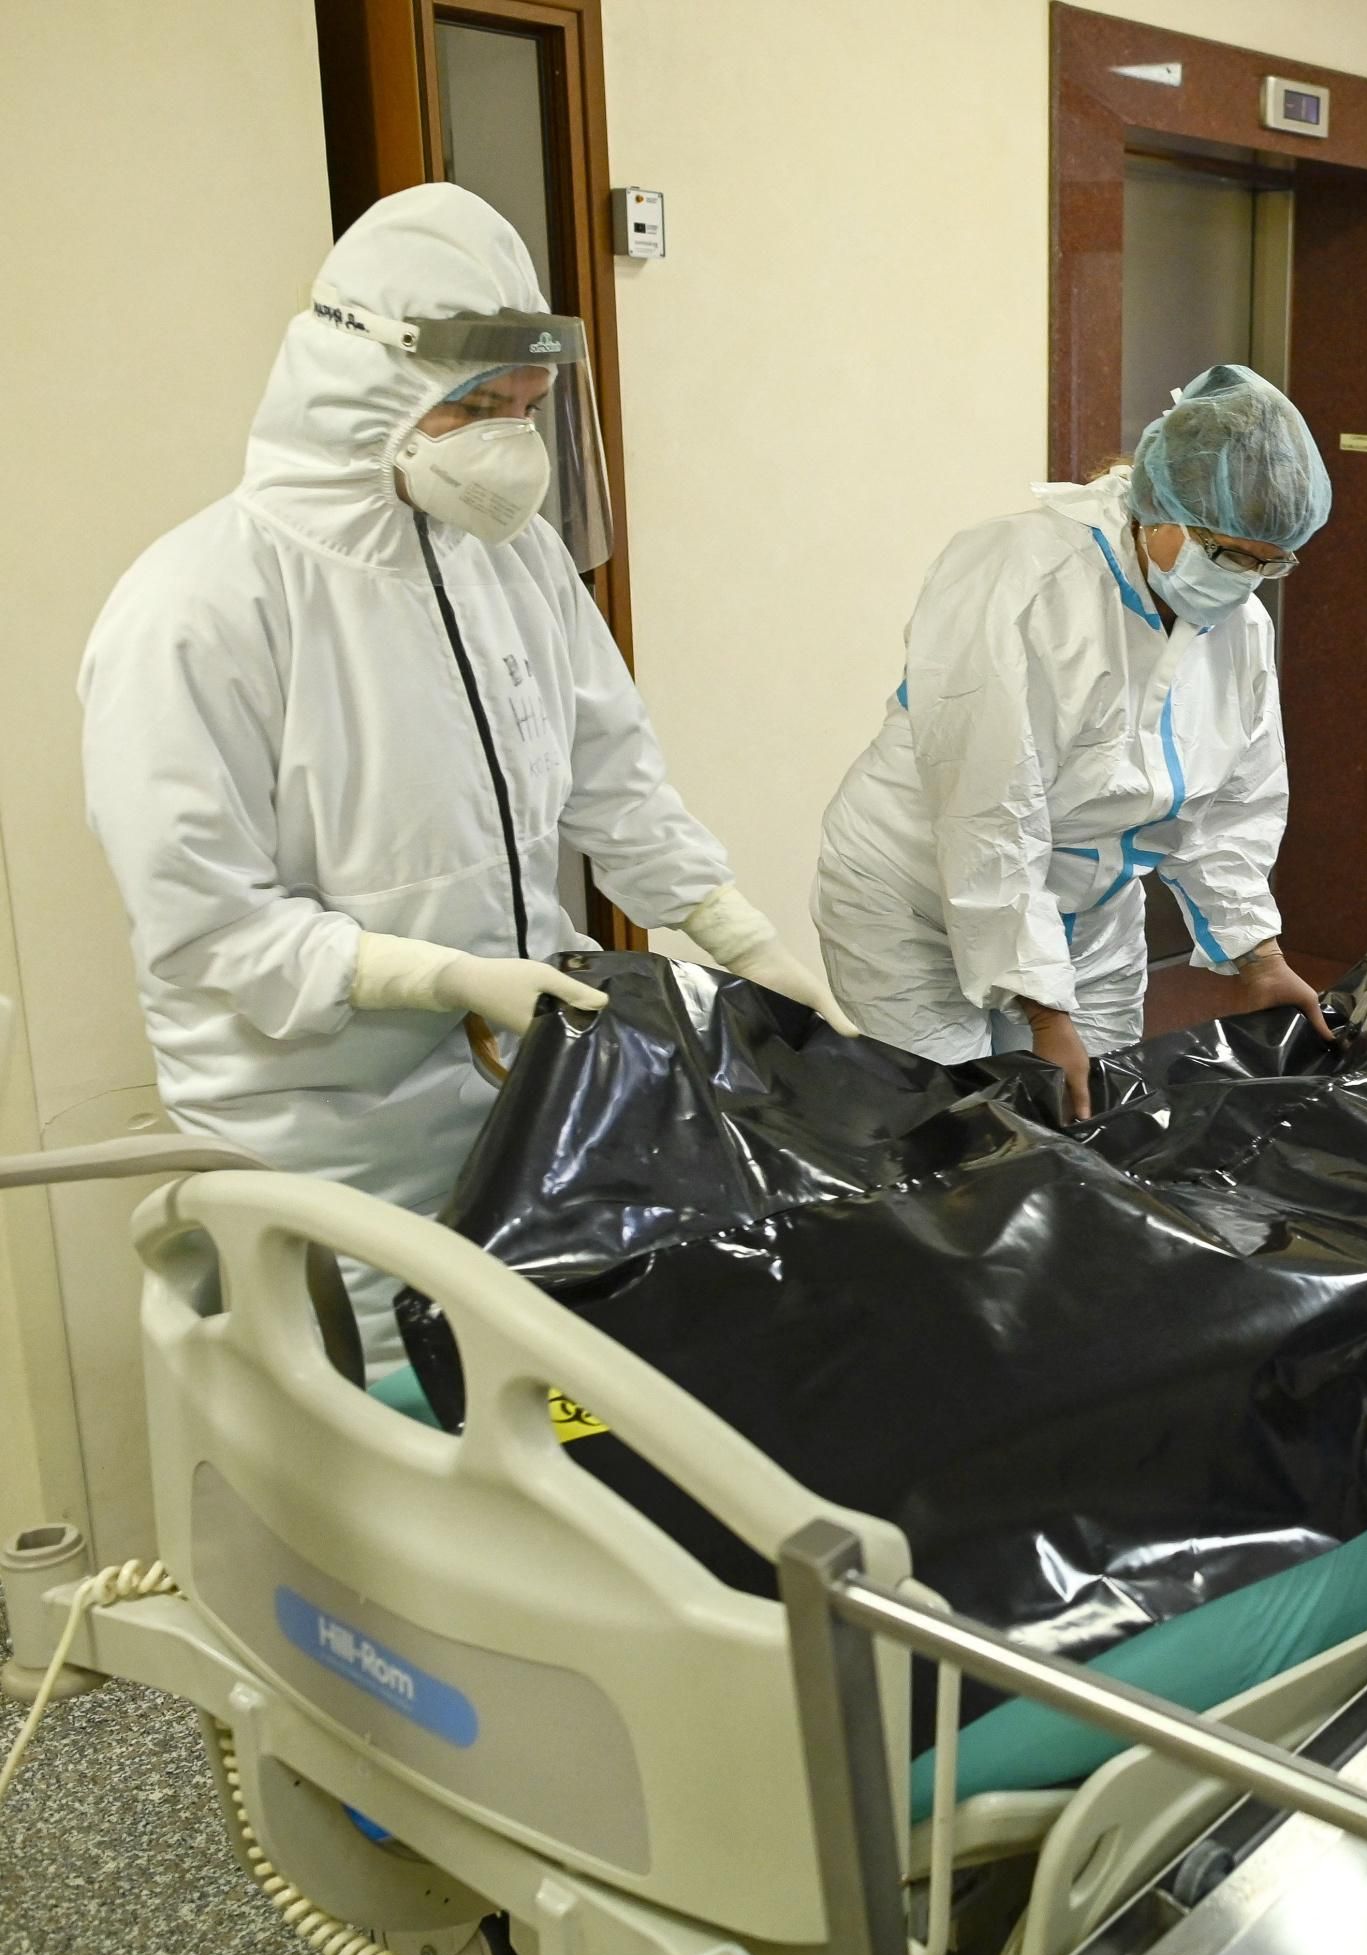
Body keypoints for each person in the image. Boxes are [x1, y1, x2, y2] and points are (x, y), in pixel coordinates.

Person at [79, 185, 849, 1365]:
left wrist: (742, 939)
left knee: (546, 1402)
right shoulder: (198, 607)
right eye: (477, 405)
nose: (509, 444)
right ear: (361, 383)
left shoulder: (513, 561)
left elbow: (614, 777)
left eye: (528, 408)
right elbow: (208, 930)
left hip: (530, 1113)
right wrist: (442, 975)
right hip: (324, 1150)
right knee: (382, 1433)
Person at [814, 364, 1335, 1115]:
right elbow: (989, 812)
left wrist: (1259, 956)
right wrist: (1044, 1014)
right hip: (915, 902)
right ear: (1162, 510)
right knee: (947, 1126)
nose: (1244, 579)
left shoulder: (1239, 627)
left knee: (1097, 1120)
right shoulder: (1020, 578)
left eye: (1270, 562)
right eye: (1228, 554)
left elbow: (1229, 809)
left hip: (1089, 911)